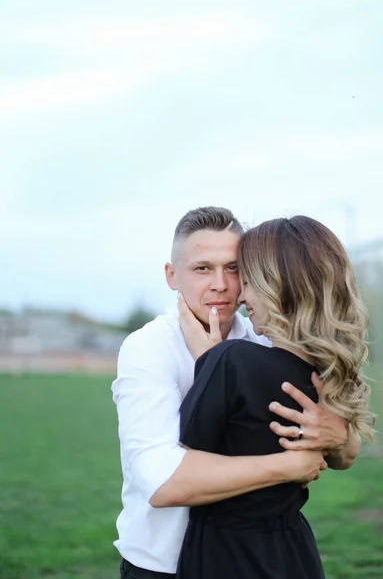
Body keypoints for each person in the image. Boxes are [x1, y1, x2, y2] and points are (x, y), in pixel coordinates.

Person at [112, 207, 354, 579]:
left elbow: (346, 454)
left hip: (256, 556)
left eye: (233, 268)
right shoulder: (148, 347)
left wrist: (336, 435)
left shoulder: (266, 335)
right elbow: (162, 482)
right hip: (164, 564)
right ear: (172, 276)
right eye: (202, 268)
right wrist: (288, 467)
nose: (221, 284)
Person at [169, 215, 375, 579]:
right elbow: (346, 456)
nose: (242, 295)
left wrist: (210, 363)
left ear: (277, 286)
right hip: (296, 553)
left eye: (246, 279)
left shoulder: (231, 360)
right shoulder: (330, 369)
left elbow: (176, 475)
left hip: (227, 556)